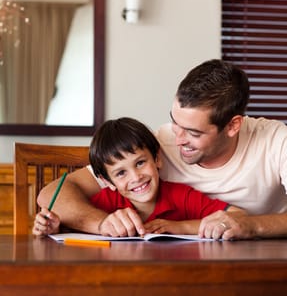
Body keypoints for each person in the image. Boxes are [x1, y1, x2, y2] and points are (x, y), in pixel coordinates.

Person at [35, 59, 287, 240]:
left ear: (233, 126)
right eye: (176, 123)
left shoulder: (276, 140)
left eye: (194, 133)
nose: (178, 140)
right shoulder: (156, 145)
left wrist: (250, 226)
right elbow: (51, 195)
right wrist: (100, 223)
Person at [33, 117, 244, 237]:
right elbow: (70, 227)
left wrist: (178, 227)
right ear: (107, 182)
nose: (136, 177)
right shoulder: (103, 204)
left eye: (140, 163)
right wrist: (53, 227)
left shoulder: (182, 196)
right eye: (121, 173)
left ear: (157, 159)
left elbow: (239, 216)